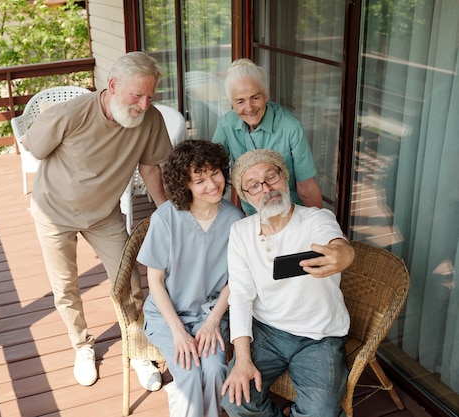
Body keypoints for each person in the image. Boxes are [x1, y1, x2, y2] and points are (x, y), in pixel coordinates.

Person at [21, 51, 173, 388]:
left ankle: (137, 349)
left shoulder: (149, 119)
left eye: (150, 96)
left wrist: (164, 208)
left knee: (129, 281)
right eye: (137, 95)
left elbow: (150, 167)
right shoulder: (71, 113)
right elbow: (32, 146)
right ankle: (82, 345)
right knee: (65, 285)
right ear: (113, 85)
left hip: (103, 214)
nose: (144, 104)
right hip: (53, 213)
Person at [220, 149, 355, 417]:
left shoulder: (316, 218)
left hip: (319, 335)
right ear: (246, 197)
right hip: (267, 331)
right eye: (254, 185)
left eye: (272, 176)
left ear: (286, 177)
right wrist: (243, 360)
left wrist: (343, 254)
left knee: (321, 412)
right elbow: (241, 296)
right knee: (234, 400)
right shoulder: (241, 232)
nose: (267, 188)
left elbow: (337, 244)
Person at [137, 140, 244, 417]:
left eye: (215, 173)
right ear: (185, 184)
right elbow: (155, 282)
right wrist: (177, 331)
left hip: (211, 313)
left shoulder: (235, 219)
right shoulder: (165, 219)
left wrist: (212, 322)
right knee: (188, 372)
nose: (212, 184)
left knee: (214, 368)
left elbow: (237, 279)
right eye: (200, 180)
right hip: (168, 315)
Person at [211, 58, 323, 215]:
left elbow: (306, 187)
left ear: (265, 95)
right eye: (240, 101)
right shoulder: (226, 124)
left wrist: (322, 223)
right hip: (253, 213)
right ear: (232, 103)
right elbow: (211, 168)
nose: (249, 108)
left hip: (290, 211)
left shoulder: (290, 127)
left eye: (255, 97)